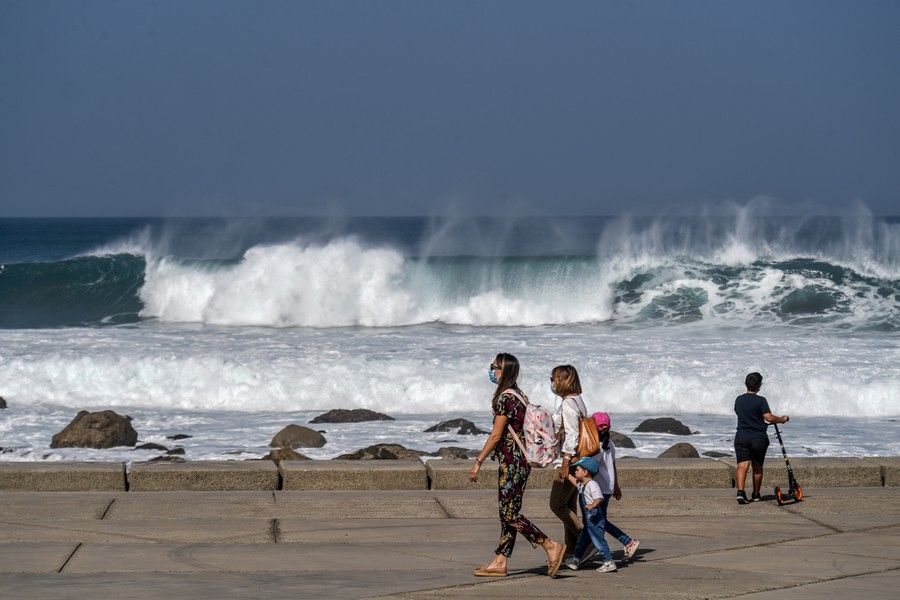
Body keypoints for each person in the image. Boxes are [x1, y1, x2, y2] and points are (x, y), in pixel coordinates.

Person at [469, 353, 566, 577]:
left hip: (512, 463)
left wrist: (478, 462)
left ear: (503, 370)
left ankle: (550, 545)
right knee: (508, 511)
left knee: (509, 513)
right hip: (520, 461)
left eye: (493, 367)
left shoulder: (505, 398)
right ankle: (500, 561)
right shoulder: (519, 395)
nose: (491, 371)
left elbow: (496, 436)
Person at [548, 364, 589, 559]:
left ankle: (586, 541)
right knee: (569, 505)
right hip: (578, 459)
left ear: (565, 380)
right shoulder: (577, 400)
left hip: (571, 460)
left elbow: (572, 434)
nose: (552, 383)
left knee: (557, 504)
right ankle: (573, 551)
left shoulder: (568, 403)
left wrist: (565, 462)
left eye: (554, 379)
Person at [734, 372, 790, 504]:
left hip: (741, 436)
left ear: (746, 384)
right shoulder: (761, 400)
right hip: (758, 438)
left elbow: (738, 412)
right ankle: (756, 494)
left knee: (742, 465)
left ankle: (740, 492)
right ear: (759, 386)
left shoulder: (739, 399)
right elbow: (769, 418)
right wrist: (782, 419)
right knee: (757, 466)